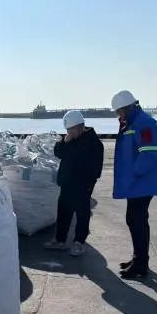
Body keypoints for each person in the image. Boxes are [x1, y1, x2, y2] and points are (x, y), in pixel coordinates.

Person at [111, 90, 157, 279]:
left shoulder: (144, 123)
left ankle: (141, 263)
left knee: (136, 220)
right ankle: (138, 258)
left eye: (118, 111)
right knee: (135, 219)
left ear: (126, 108)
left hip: (142, 183)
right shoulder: (134, 122)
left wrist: (134, 173)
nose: (118, 115)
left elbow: (149, 154)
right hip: (138, 183)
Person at [44, 110, 104, 256]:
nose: (69, 132)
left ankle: (79, 242)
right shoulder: (70, 140)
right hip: (67, 183)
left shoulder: (93, 143)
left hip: (82, 185)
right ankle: (60, 240)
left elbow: (96, 168)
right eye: (67, 130)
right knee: (63, 211)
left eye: (71, 129)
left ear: (80, 126)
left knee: (82, 214)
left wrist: (88, 184)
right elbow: (58, 153)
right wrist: (64, 141)